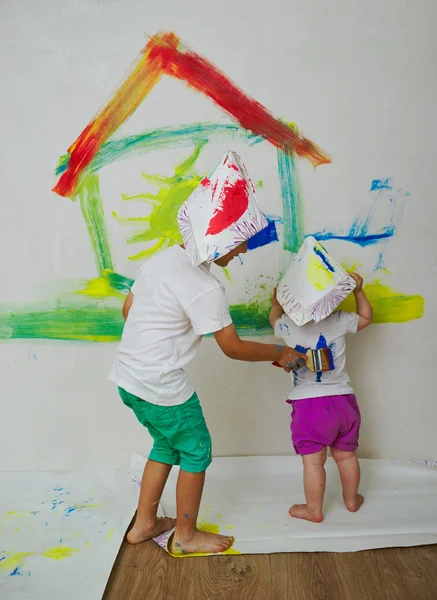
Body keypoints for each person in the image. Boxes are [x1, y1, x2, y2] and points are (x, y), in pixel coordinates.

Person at [109, 151, 306, 555]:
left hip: (129, 380)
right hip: (163, 387)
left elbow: (128, 309)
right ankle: (185, 535)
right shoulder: (205, 287)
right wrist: (280, 353)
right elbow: (231, 347)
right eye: (239, 244)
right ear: (219, 242)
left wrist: (154, 338)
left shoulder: (161, 260)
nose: (243, 252)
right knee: (197, 449)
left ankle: (145, 524)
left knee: (165, 445)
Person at [270, 272, 372, 523]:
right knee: (346, 456)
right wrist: (358, 291)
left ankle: (314, 510)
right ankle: (351, 500)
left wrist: (276, 303)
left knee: (314, 462)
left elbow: (273, 318)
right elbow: (366, 319)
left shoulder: (287, 324)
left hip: (309, 406)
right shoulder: (339, 319)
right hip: (343, 401)